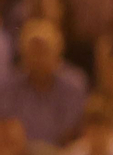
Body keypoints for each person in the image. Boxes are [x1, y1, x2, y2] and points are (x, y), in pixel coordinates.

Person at [0, 19, 89, 147]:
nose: (38, 58)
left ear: (58, 50)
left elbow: (74, 131)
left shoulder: (74, 85)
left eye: (43, 50)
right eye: (33, 50)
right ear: (23, 52)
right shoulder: (8, 87)